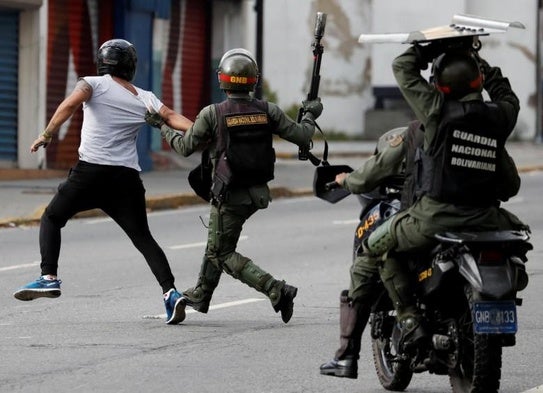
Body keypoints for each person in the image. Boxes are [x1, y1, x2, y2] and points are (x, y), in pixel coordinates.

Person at [13, 39, 194, 325]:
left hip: (91, 173)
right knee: (143, 238)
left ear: (103, 63)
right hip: (126, 180)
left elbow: (70, 104)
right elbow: (171, 118)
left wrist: (47, 134)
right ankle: (170, 292)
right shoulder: (144, 96)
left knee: (51, 217)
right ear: (130, 66)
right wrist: (200, 130)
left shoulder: (93, 84)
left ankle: (49, 277)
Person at [362, 39, 529, 345]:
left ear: (439, 85)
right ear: (477, 80)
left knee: (376, 245)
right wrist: (476, 58)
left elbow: (402, 67)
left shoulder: (436, 115)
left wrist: (431, 48)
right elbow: (506, 96)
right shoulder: (500, 117)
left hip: (436, 219)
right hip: (488, 220)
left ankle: (409, 319)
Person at [145, 48, 323, 323]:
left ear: (222, 79)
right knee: (217, 243)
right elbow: (303, 135)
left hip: (228, 193)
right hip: (257, 193)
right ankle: (202, 294)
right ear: (254, 80)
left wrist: (161, 126)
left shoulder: (213, 114)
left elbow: (183, 147)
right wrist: (310, 114)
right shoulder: (268, 110)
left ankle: (276, 290)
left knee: (221, 252)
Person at [319, 121, 424, 379]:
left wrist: (346, 180)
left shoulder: (420, 130)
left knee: (374, 252)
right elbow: (509, 184)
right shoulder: (483, 127)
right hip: (483, 222)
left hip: (429, 219)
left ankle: (347, 356)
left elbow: (372, 173)